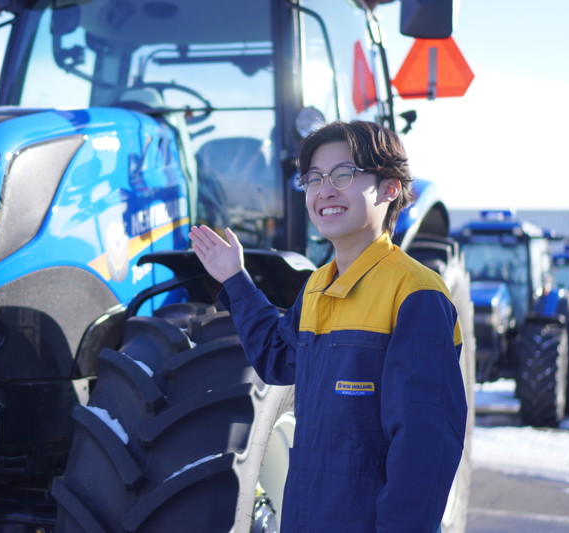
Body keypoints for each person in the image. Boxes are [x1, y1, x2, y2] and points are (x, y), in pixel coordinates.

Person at [189, 120, 467, 533]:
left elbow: (424, 447)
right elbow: (278, 358)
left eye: (343, 175)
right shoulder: (319, 285)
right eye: (314, 179)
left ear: (390, 188)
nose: (324, 191)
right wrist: (235, 279)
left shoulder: (414, 293)